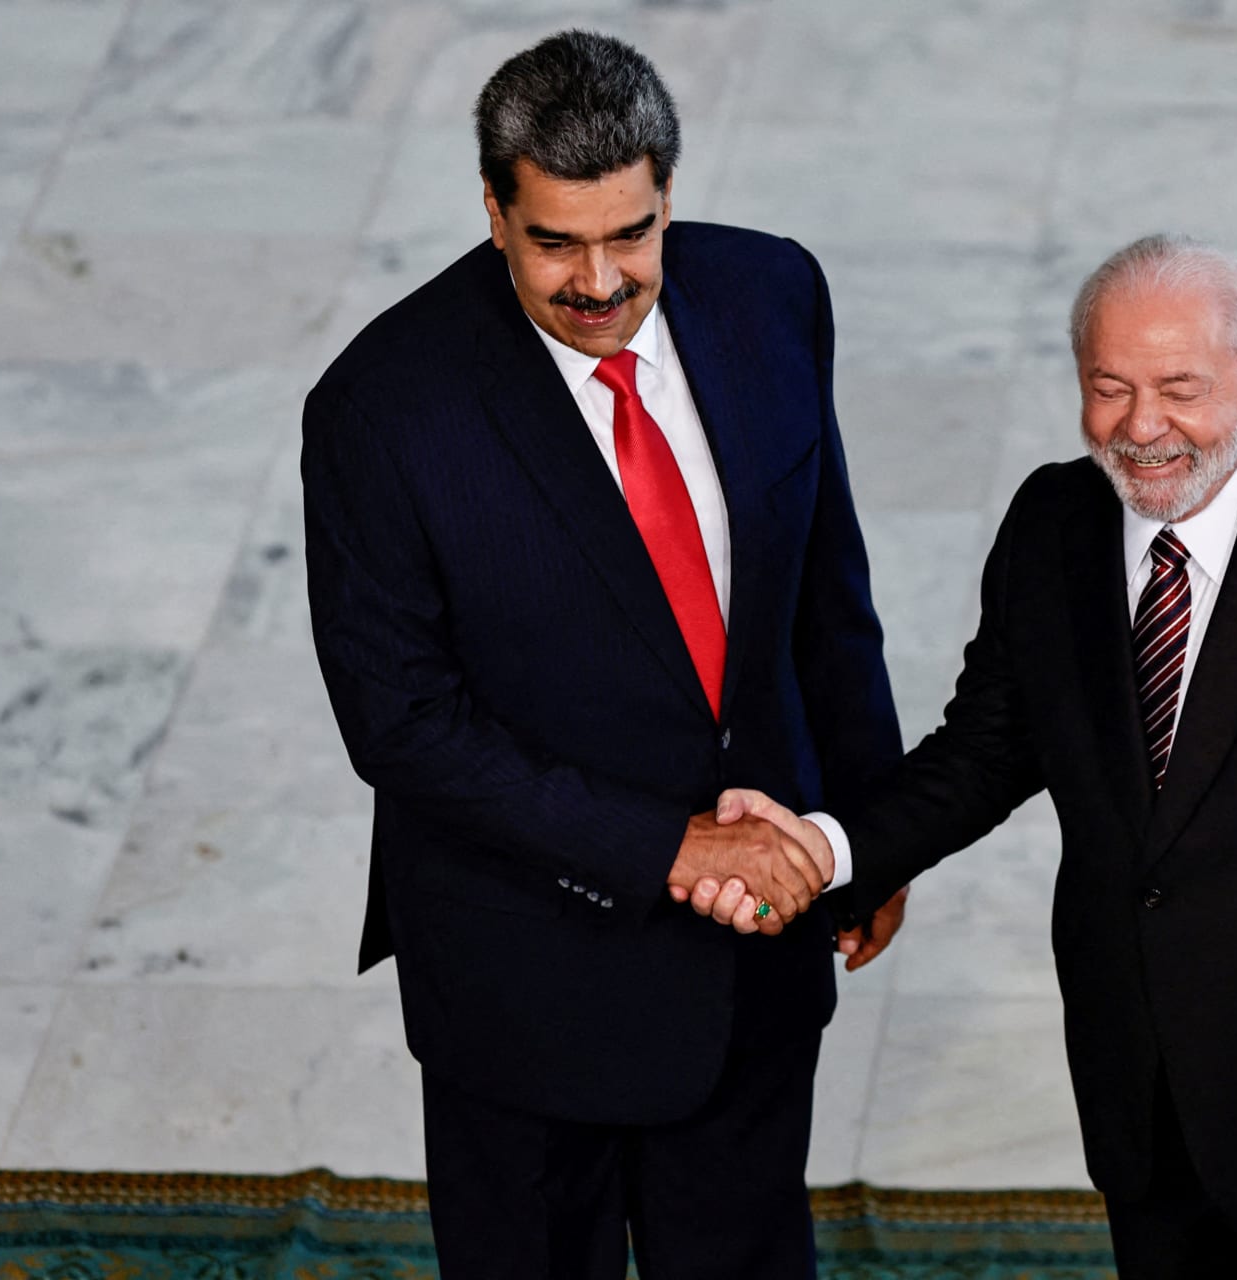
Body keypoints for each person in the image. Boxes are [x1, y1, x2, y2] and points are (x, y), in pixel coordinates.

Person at [692, 234, 1237, 1278]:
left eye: (1180, 389)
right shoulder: (1053, 523)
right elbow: (986, 748)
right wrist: (826, 848)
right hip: (1144, 1096)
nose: (1141, 428)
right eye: (1108, 388)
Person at [300, 30, 905, 1280]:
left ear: (668, 193)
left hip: (756, 955)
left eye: (629, 234)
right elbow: (403, 725)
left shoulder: (772, 294)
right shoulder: (382, 411)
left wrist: (870, 827)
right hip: (528, 977)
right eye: (554, 241)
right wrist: (672, 844)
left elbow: (824, 595)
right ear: (492, 209)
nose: (599, 280)